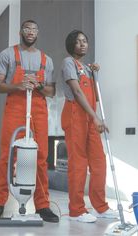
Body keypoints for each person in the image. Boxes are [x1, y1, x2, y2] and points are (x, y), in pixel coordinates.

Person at [0, 19, 59, 223]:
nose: (31, 32)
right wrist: (18, 85)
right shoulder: (7, 54)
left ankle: (43, 206)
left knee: (41, 157)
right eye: (27, 28)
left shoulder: (47, 59)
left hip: (38, 109)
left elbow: (52, 91)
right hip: (15, 107)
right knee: (7, 156)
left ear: (38, 33)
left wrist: (37, 86)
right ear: (21, 32)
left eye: (34, 29)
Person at [61, 30, 119, 223]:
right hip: (74, 115)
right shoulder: (68, 63)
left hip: (89, 117)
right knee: (78, 163)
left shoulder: (87, 68)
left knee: (99, 161)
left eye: (85, 41)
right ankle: (76, 210)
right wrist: (95, 117)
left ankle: (100, 207)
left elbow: (93, 94)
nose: (83, 44)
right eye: (78, 41)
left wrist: (93, 73)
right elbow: (77, 91)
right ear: (71, 45)